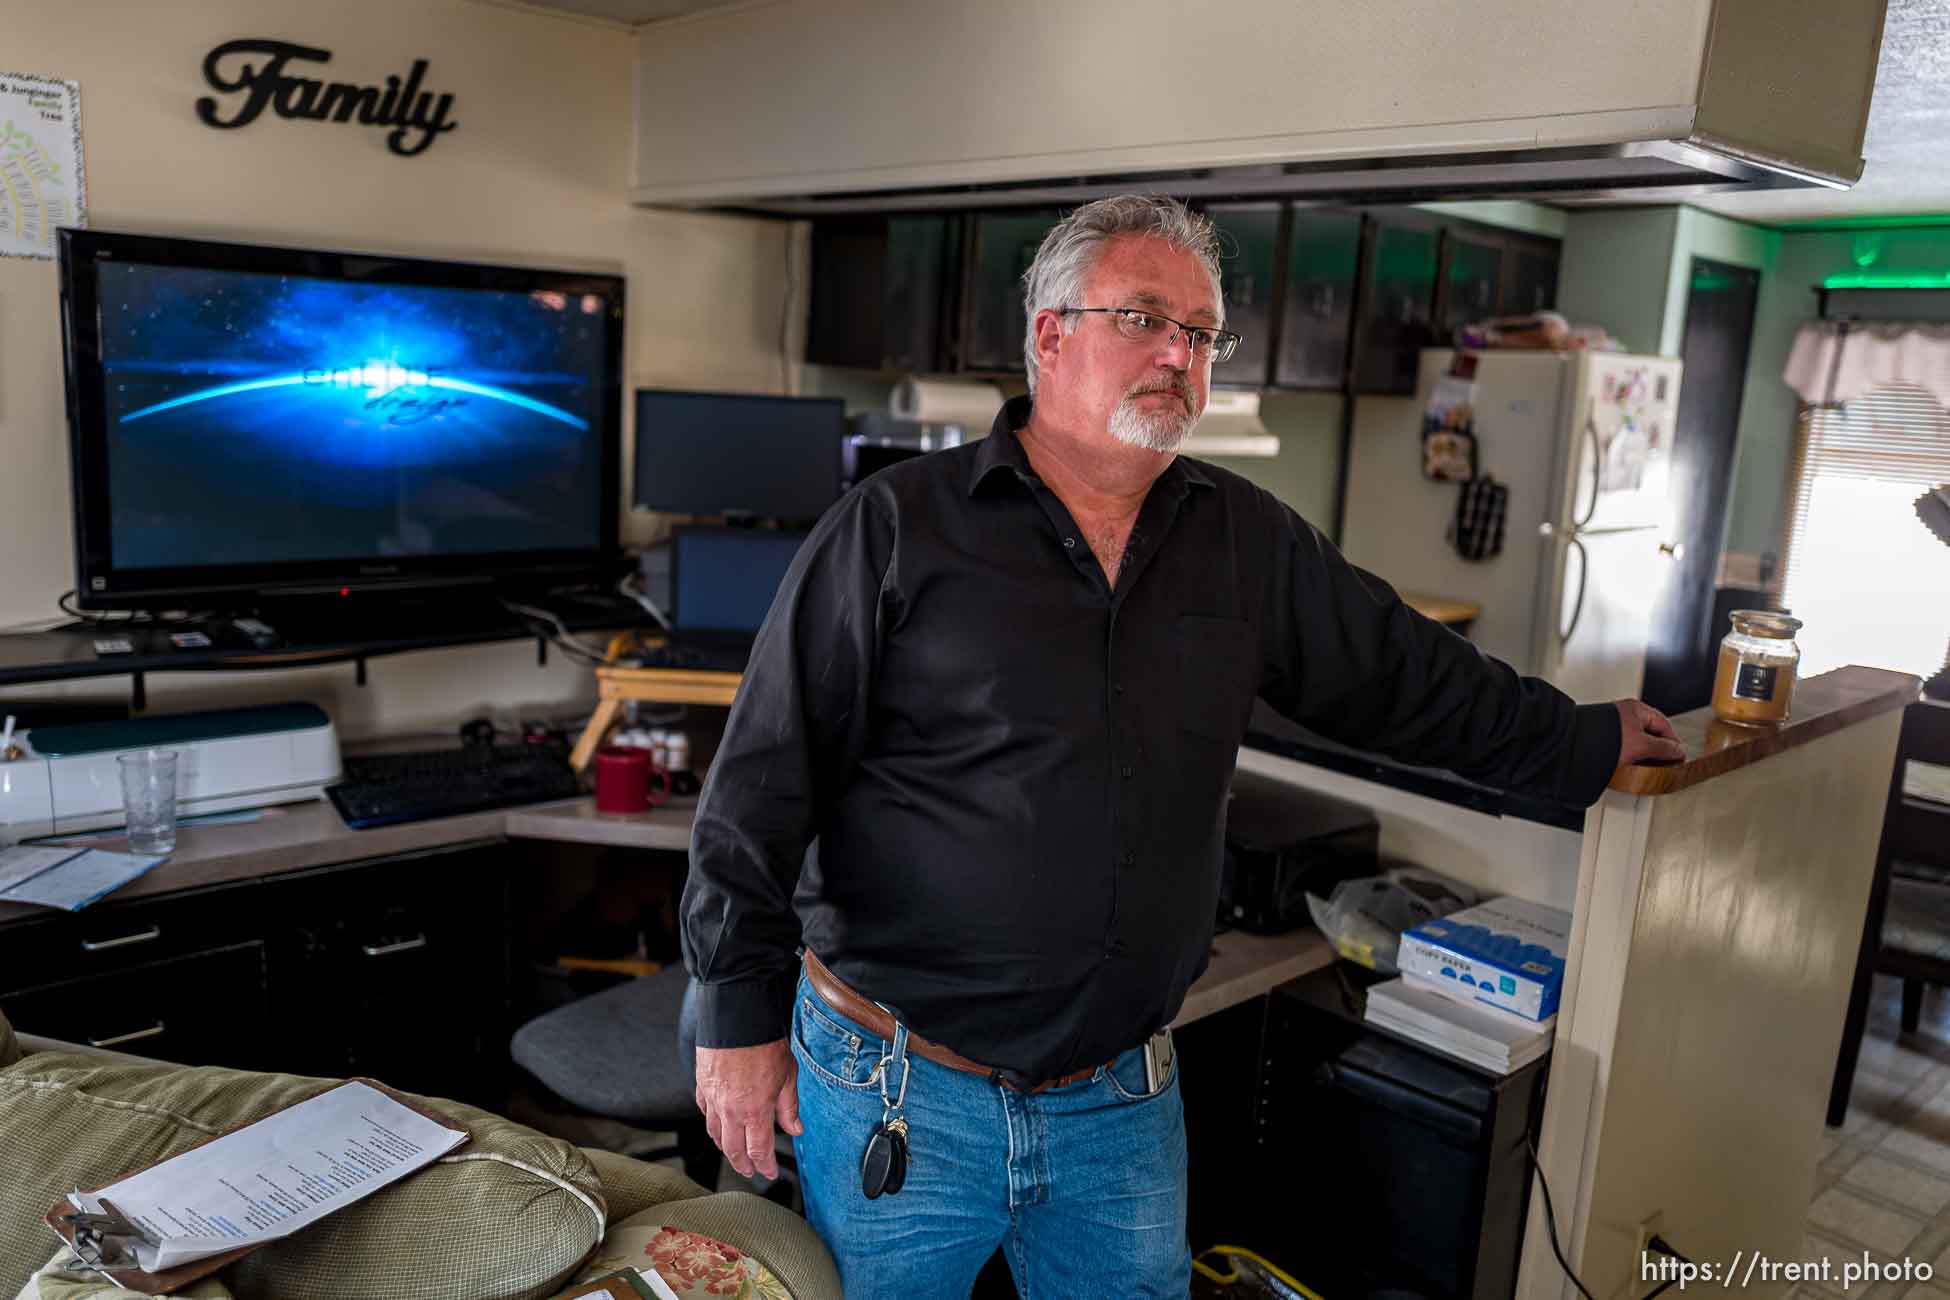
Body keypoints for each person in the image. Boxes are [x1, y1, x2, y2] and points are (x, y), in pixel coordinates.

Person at [681, 195, 1685, 1297]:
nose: (1178, 352)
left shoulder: (1243, 540)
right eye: (1146, 319)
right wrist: (735, 1021)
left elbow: (1408, 678)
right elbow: (760, 789)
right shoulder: (892, 530)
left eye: (1201, 333)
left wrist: (1580, 737)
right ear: (1051, 334)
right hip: (898, 1087)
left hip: (1120, 1098)